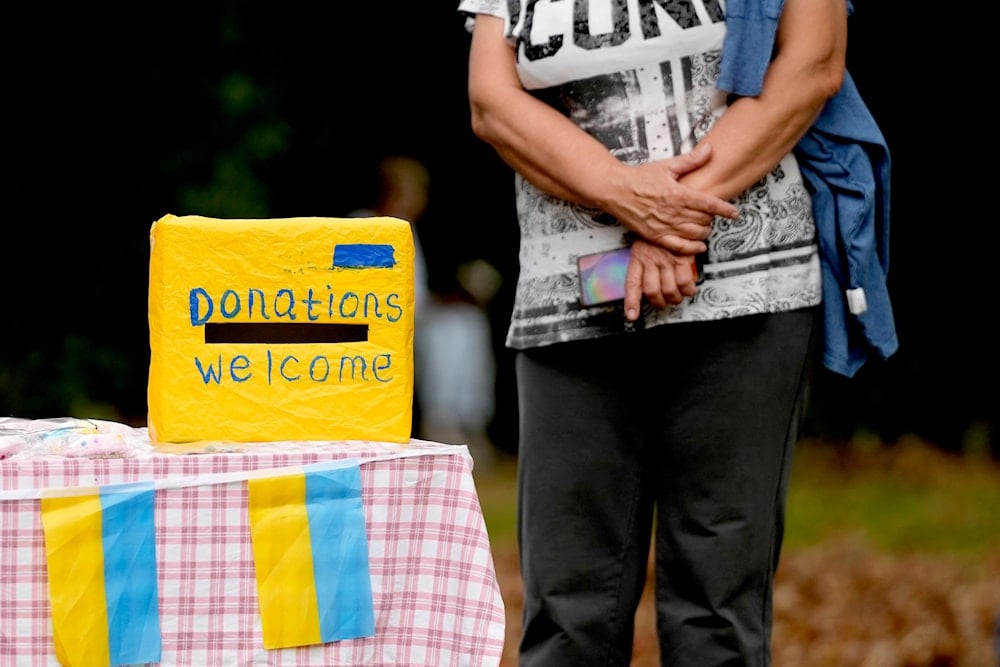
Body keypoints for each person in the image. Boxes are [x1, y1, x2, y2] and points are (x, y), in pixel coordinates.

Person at [458, 0, 891, 665]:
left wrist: (669, 220)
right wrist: (627, 195)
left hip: (747, 288)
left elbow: (812, 63)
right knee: (569, 614)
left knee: (716, 613)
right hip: (569, 299)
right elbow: (492, 98)